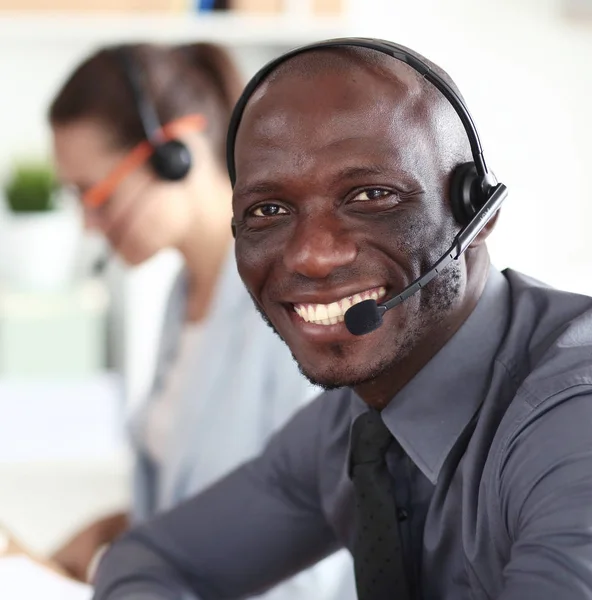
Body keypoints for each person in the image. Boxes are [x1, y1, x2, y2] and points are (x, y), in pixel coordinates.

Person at [92, 38, 592, 600]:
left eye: (371, 195)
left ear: (476, 213)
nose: (311, 254)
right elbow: (149, 560)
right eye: (269, 210)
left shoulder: (572, 423)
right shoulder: (349, 428)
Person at [47, 41, 353, 598]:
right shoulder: (182, 295)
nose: (90, 225)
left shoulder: (297, 301)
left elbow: (309, 545)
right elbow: (203, 506)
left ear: (176, 151)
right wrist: (109, 533)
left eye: (98, 195)